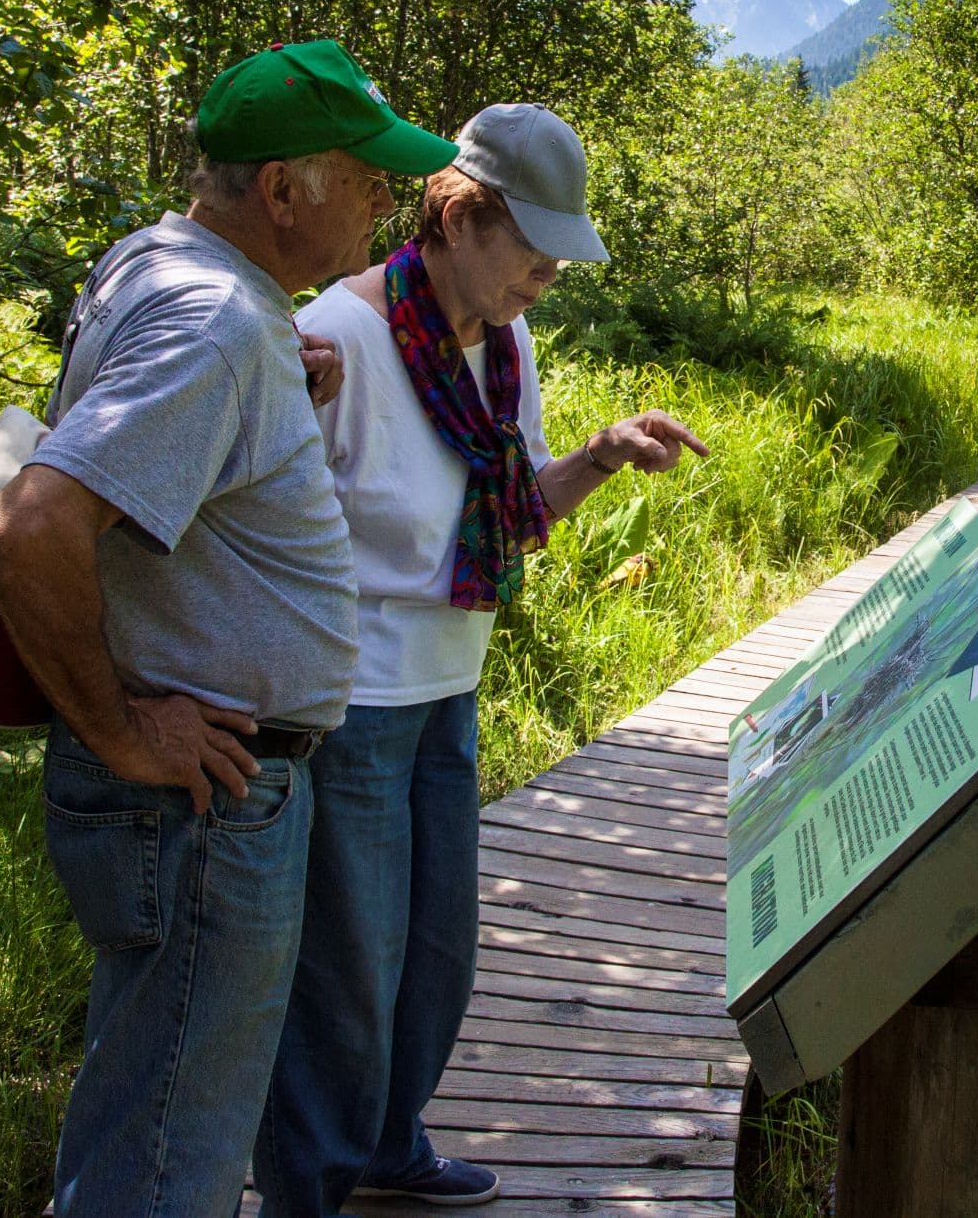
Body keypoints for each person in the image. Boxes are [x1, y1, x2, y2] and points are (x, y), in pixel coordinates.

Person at [0, 40, 458, 1218]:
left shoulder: (163, 267)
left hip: (190, 794)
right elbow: (24, 527)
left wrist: (271, 389)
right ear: (285, 190)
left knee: (149, 1106)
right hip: (199, 795)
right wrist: (126, 725)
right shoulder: (215, 323)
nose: (390, 205)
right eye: (369, 178)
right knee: (170, 1156)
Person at [256, 102, 709, 1212]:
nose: (546, 278)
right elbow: (262, 529)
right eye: (536, 253)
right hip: (351, 701)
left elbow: (509, 514)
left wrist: (602, 454)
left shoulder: (502, 345)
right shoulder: (338, 338)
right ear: (457, 214)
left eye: (558, 261)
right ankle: (308, 1186)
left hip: (449, 689)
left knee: (438, 952)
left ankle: (388, 1145)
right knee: (346, 972)